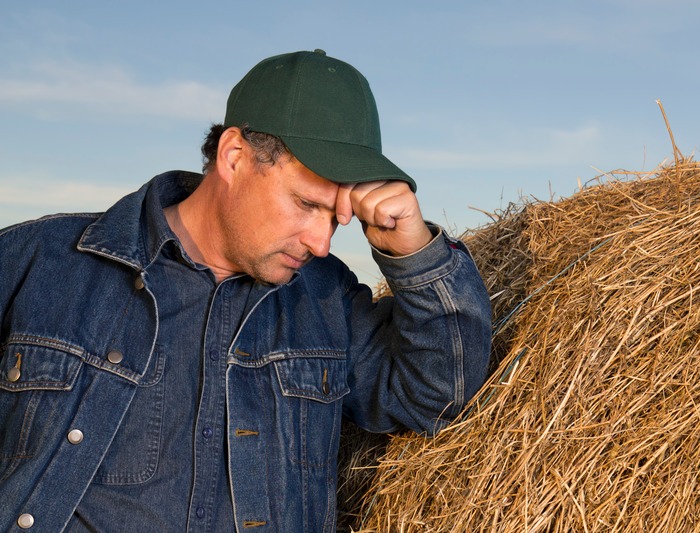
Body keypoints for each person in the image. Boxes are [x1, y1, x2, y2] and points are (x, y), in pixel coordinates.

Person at [0, 49, 491, 532]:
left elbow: (435, 400)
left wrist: (414, 253)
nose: (321, 243)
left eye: (335, 219)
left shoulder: (327, 298)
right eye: (306, 204)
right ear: (234, 156)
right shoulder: (36, 259)